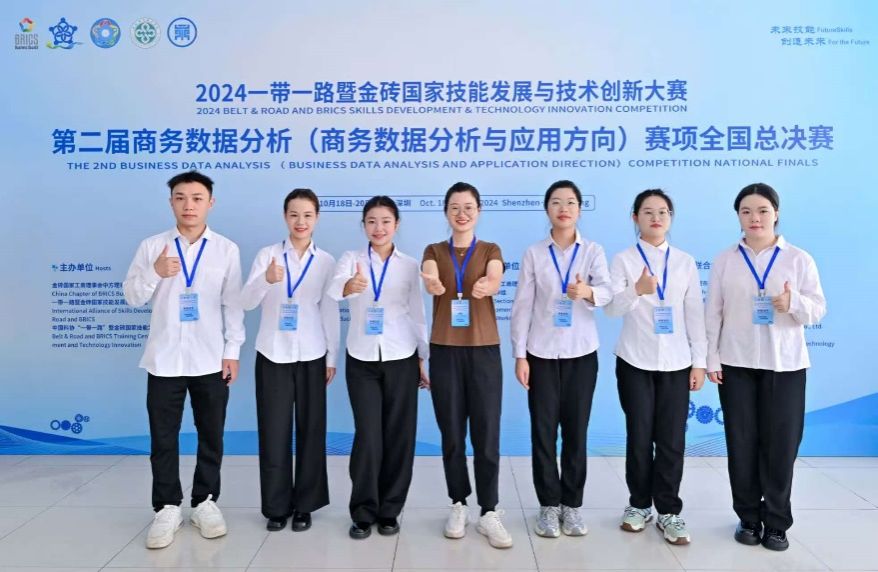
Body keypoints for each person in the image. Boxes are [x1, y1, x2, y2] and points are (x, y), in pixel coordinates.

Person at [123, 170, 244, 549]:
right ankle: (167, 506)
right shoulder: (152, 247)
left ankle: (205, 501)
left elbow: (233, 305)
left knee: (211, 434)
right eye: (180, 197)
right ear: (171, 202)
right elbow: (132, 296)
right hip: (164, 359)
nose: (188, 205)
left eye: (196, 198)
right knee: (163, 437)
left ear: (211, 202)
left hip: (210, 359)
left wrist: (232, 351)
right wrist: (154, 273)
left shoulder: (226, 249)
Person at [705, 183, 826, 551]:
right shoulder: (726, 259)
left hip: (785, 365)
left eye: (762, 210)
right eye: (746, 211)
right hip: (736, 363)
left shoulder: (798, 259)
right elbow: (713, 313)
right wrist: (711, 359)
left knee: (781, 445)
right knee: (741, 442)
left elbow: (817, 310)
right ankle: (747, 517)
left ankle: (776, 522)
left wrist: (793, 303)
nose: (754, 218)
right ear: (738, 216)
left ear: (776, 213)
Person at [510, 179, 613, 539]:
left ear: (579, 209)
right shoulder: (535, 253)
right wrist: (520, 355)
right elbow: (522, 306)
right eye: (556, 202)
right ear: (547, 209)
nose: (563, 208)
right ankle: (548, 505)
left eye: (570, 202)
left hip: (581, 354)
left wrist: (587, 291)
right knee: (542, 432)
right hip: (540, 354)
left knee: (575, 432)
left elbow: (608, 291)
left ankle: (572, 504)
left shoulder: (593, 251)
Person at [605, 189, 707, 545]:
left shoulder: (684, 262)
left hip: (677, 362)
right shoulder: (623, 260)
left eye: (663, 212)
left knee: (671, 439)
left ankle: (668, 510)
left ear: (670, 218)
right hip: (634, 359)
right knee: (638, 435)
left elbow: (694, 314)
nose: (656, 218)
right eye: (648, 212)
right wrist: (637, 289)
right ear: (635, 218)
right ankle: (638, 505)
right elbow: (611, 309)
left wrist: (699, 362)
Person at [328, 195, 430, 539]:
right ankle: (363, 511)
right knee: (368, 436)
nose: (378, 228)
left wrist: (422, 357)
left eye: (385, 221)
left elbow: (417, 313)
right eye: (371, 221)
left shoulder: (410, 265)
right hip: (362, 358)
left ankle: (390, 511)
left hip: (402, 356)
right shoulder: (351, 259)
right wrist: (349, 286)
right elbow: (333, 290)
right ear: (363, 225)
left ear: (396, 225)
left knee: (400, 436)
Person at [240, 188, 339, 533]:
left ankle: (305, 506)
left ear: (317, 218)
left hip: (312, 353)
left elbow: (329, 310)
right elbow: (246, 302)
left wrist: (331, 356)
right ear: (285, 216)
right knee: (274, 431)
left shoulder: (325, 261)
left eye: (307, 215)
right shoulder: (267, 255)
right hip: (273, 353)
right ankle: (276, 507)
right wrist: (265, 280)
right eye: (294, 214)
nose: (301, 221)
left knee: (312, 430)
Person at [421, 182, 511, 549]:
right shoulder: (434, 250)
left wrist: (490, 284)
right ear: (446, 212)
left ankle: (489, 511)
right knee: (452, 434)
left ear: (479, 210)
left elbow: (496, 274)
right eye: (455, 207)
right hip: (445, 350)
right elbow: (429, 273)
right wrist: (432, 283)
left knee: (487, 435)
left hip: (484, 350)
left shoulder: (490, 249)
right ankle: (458, 503)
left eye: (468, 207)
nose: (462, 213)